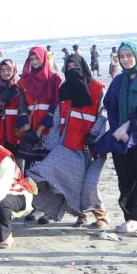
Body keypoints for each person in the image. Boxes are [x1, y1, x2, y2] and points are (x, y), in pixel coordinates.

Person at [25, 54, 107, 226]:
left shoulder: (97, 88)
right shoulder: (65, 89)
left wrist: (94, 135)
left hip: (86, 145)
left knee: (87, 184)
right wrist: (51, 143)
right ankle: (79, 215)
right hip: (65, 144)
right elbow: (58, 118)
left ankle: (100, 216)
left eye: (75, 67)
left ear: (83, 67)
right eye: (68, 68)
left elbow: (103, 114)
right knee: (44, 173)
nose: (72, 71)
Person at [93, 41, 137, 238]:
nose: (125, 59)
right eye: (122, 56)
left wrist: (127, 126)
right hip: (119, 136)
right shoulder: (118, 80)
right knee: (125, 177)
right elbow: (110, 105)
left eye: (129, 55)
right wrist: (117, 129)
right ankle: (130, 218)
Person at [15, 46, 61, 168]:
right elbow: (22, 105)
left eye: (37, 58)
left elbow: (54, 106)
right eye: (32, 59)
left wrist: (39, 131)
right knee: (30, 170)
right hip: (30, 128)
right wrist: (27, 128)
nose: (34, 62)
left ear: (44, 58)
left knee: (47, 168)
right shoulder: (23, 81)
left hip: (47, 131)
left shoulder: (54, 79)